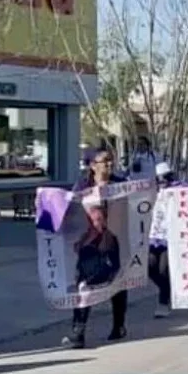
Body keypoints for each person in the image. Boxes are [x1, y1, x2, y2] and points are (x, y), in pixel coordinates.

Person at [62, 148, 128, 348]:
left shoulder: (122, 184)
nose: (108, 165)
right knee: (84, 285)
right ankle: (78, 332)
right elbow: (70, 211)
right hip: (90, 243)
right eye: (104, 161)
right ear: (93, 165)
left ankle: (119, 326)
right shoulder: (82, 186)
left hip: (115, 242)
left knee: (117, 283)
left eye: (110, 161)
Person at [147, 161, 186, 319]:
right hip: (153, 236)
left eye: (164, 178)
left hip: (171, 236)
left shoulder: (179, 188)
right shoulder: (152, 191)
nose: (162, 182)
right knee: (150, 268)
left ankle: (163, 302)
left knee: (164, 270)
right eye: (159, 179)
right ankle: (169, 289)